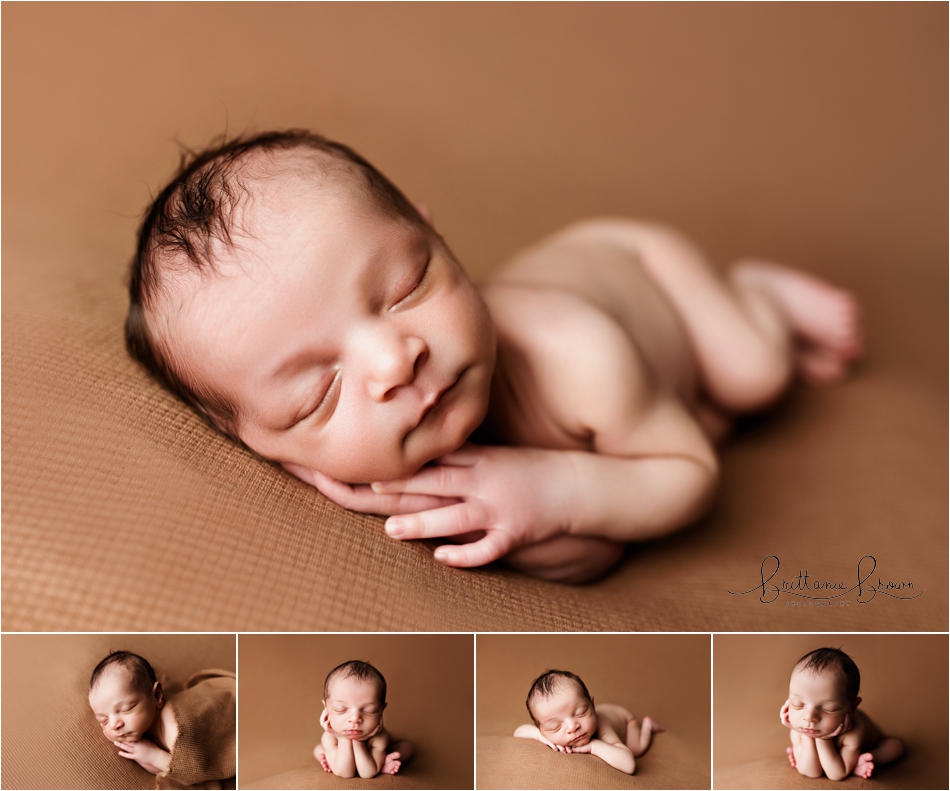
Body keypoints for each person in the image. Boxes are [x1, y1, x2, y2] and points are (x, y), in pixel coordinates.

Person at [127, 130, 863, 583]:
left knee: (752, 378)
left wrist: (560, 487)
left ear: (436, 236)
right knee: (681, 425)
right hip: (644, 395)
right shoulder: (333, 449)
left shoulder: (577, 355)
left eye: (407, 285)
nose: (395, 359)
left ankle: (756, 295)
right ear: (256, 439)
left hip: (644, 269)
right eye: (316, 396)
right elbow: (589, 555)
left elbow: (692, 476)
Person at [781, 647, 903, 780]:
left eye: (829, 709)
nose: (809, 717)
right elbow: (811, 772)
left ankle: (863, 761)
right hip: (830, 752)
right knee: (808, 759)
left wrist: (824, 739)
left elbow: (837, 774)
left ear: (852, 707)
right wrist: (806, 737)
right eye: (797, 704)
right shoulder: (799, 727)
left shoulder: (854, 732)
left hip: (869, 746)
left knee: (895, 746)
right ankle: (809, 753)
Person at [514, 669, 663, 774]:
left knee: (636, 749)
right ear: (542, 729)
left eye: (581, 712)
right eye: (555, 726)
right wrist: (540, 736)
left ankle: (647, 726)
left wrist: (593, 746)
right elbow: (518, 732)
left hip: (625, 719)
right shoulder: (544, 733)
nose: (572, 727)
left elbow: (629, 765)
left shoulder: (603, 728)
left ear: (592, 705)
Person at [314, 660, 412, 778]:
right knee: (318, 749)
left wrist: (359, 741)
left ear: (381, 710)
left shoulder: (379, 737)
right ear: (326, 709)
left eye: (369, 710)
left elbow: (367, 773)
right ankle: (328, 759)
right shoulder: (330, 737)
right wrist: (342, 740)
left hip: (378, 754)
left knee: (407, 747)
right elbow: (345, 773)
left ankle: (386, 760)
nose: (355, 719)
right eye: (340, 709)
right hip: (337, 750)